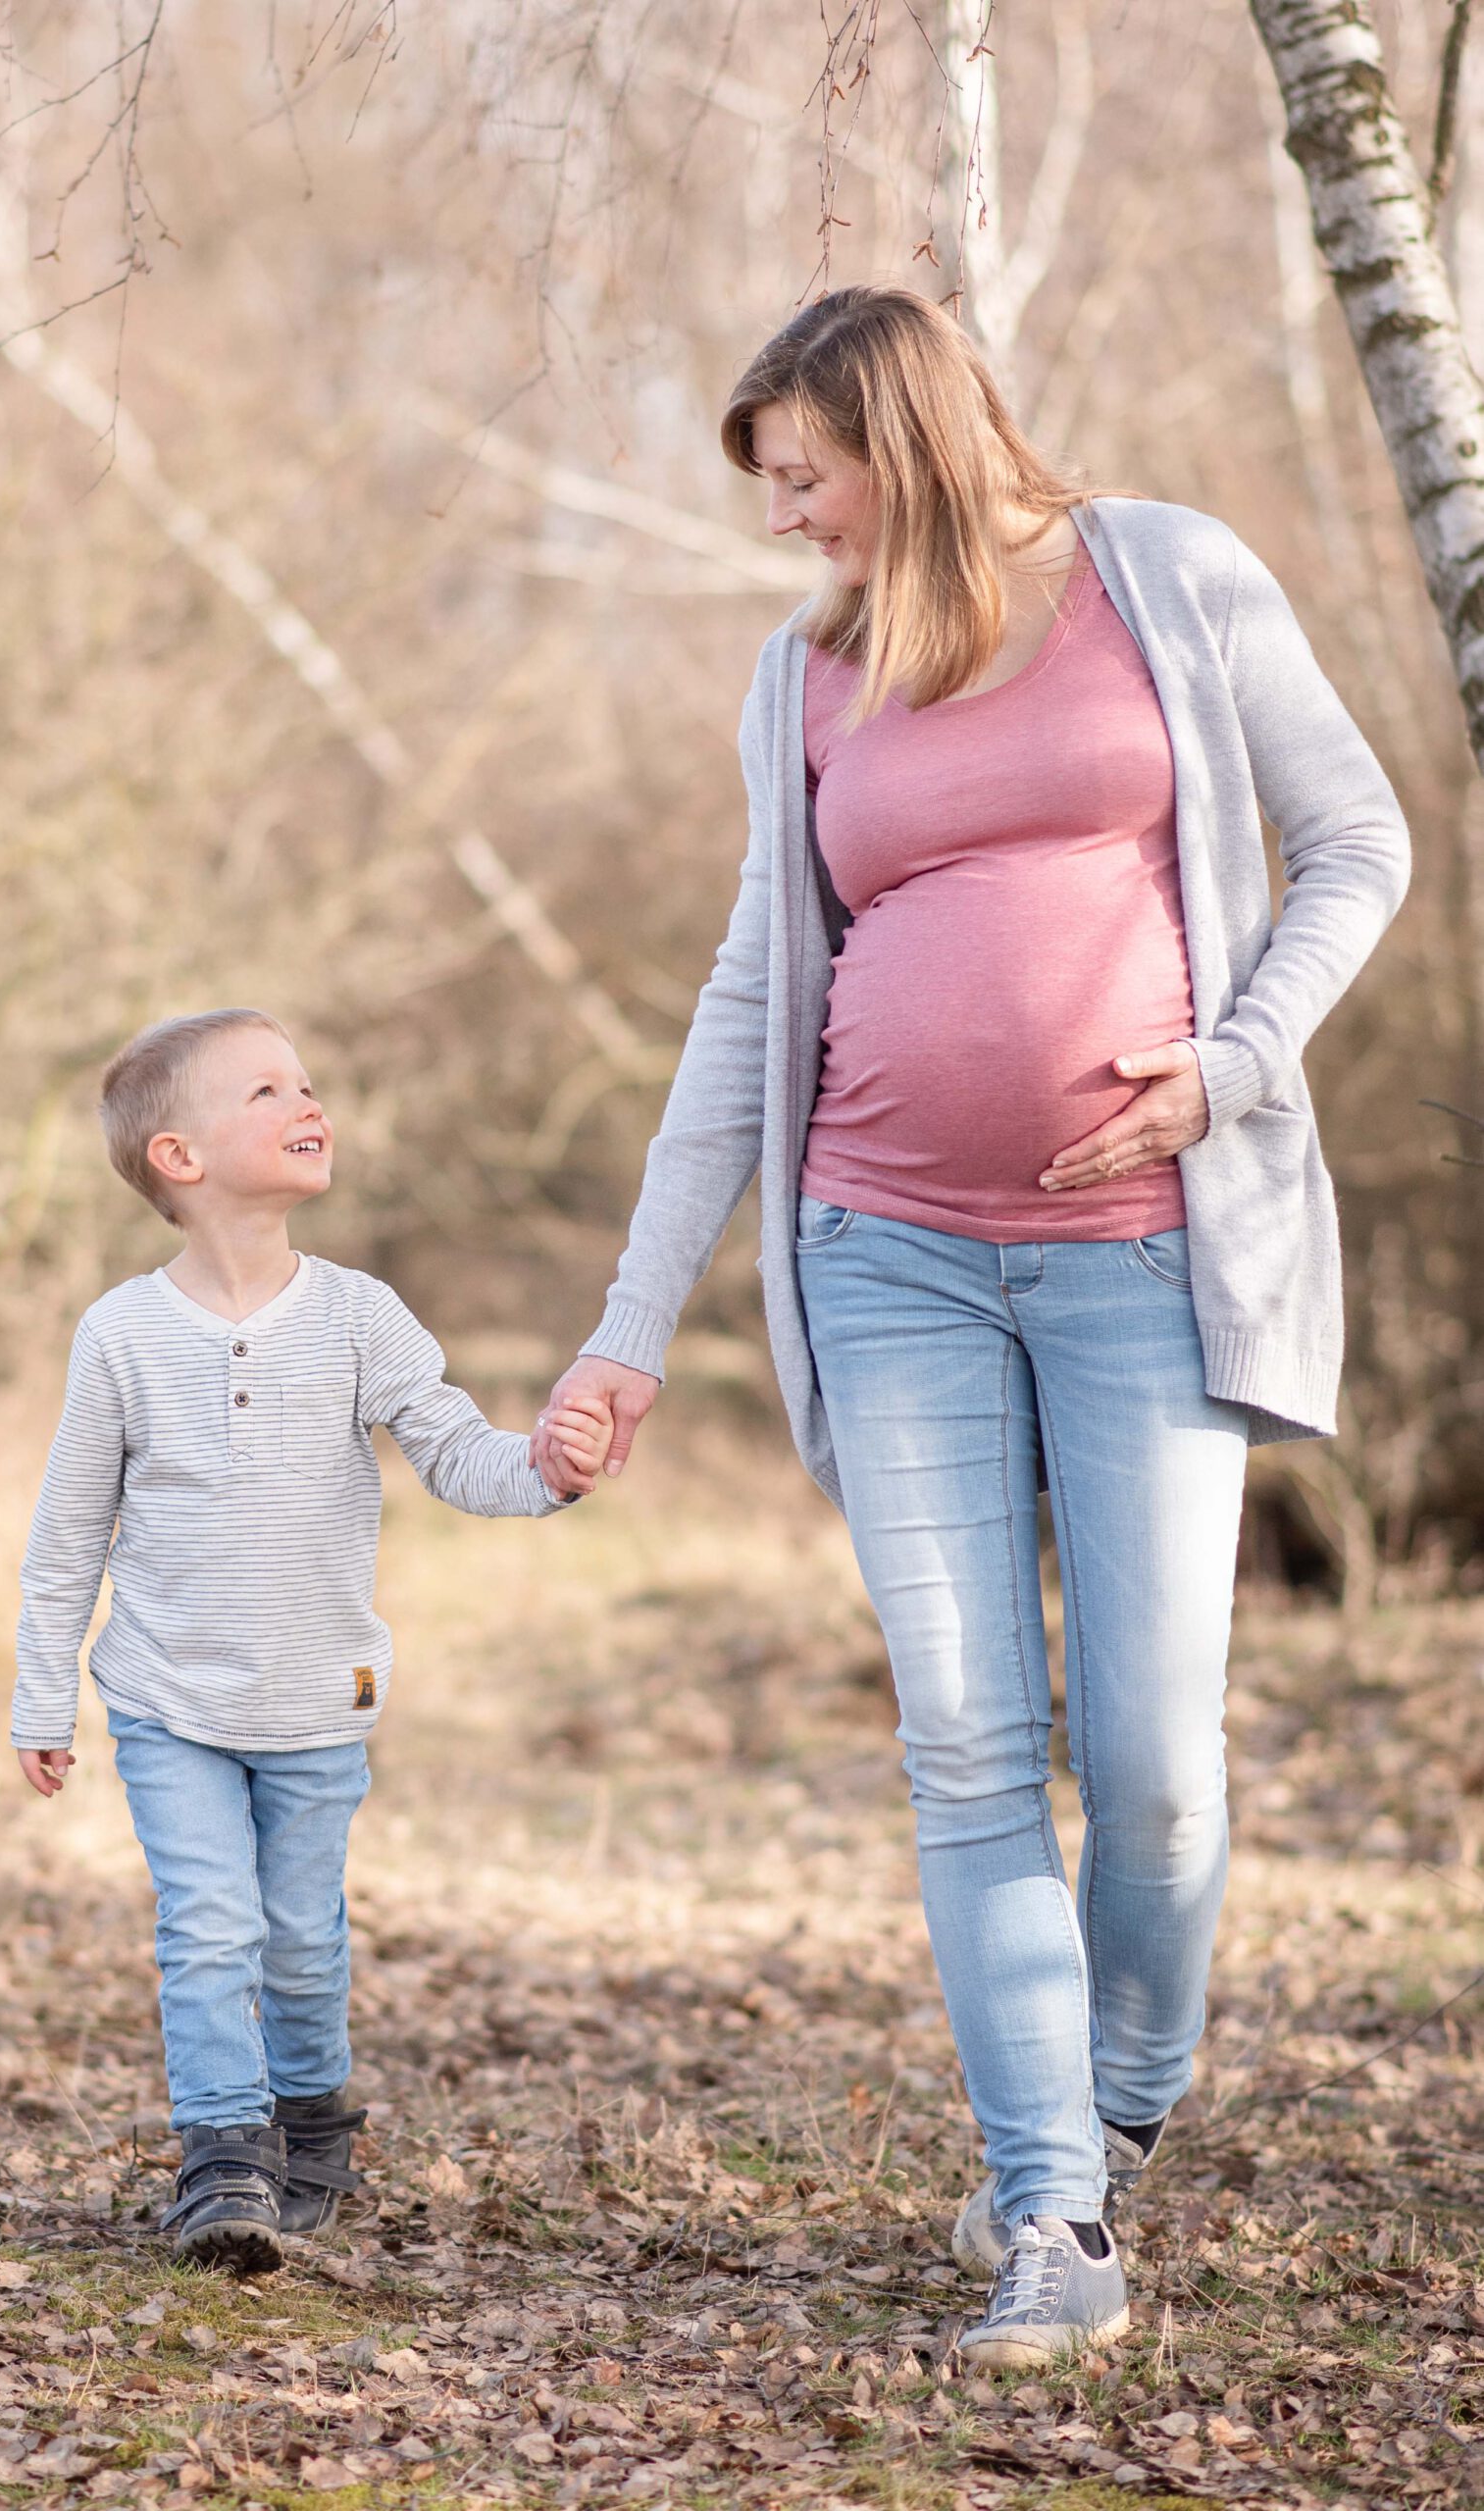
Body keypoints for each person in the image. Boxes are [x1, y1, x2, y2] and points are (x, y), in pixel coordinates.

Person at [533, 287, 1409, 2369]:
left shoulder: (1166, 576)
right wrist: (625, 1327)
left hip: (1140, 1255)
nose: (784, 523)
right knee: (964, 1744)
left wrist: (1245, 1058)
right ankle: (1050, 2210)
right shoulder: (807, 675)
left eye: (803, 476)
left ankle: (1121, 2093)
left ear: (902, 433)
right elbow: (752, 1008)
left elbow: (1354, 841)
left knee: (1157, 1762)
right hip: (887, 1253)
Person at [12, 1007, 610, 2275]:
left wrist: (542, 1468)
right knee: (208, 1921)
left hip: (317, 1700)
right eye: (266, 1090)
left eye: (308, 1083)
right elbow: (70, 1530)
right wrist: (40, 1696)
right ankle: (222, 2155)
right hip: (167, 1697)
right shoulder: (123, 1334)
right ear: (178, 1157)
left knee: (301, 1936)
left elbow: (454, 1449)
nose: (307, 1101)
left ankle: (310, 2110)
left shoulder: (359, 1316)